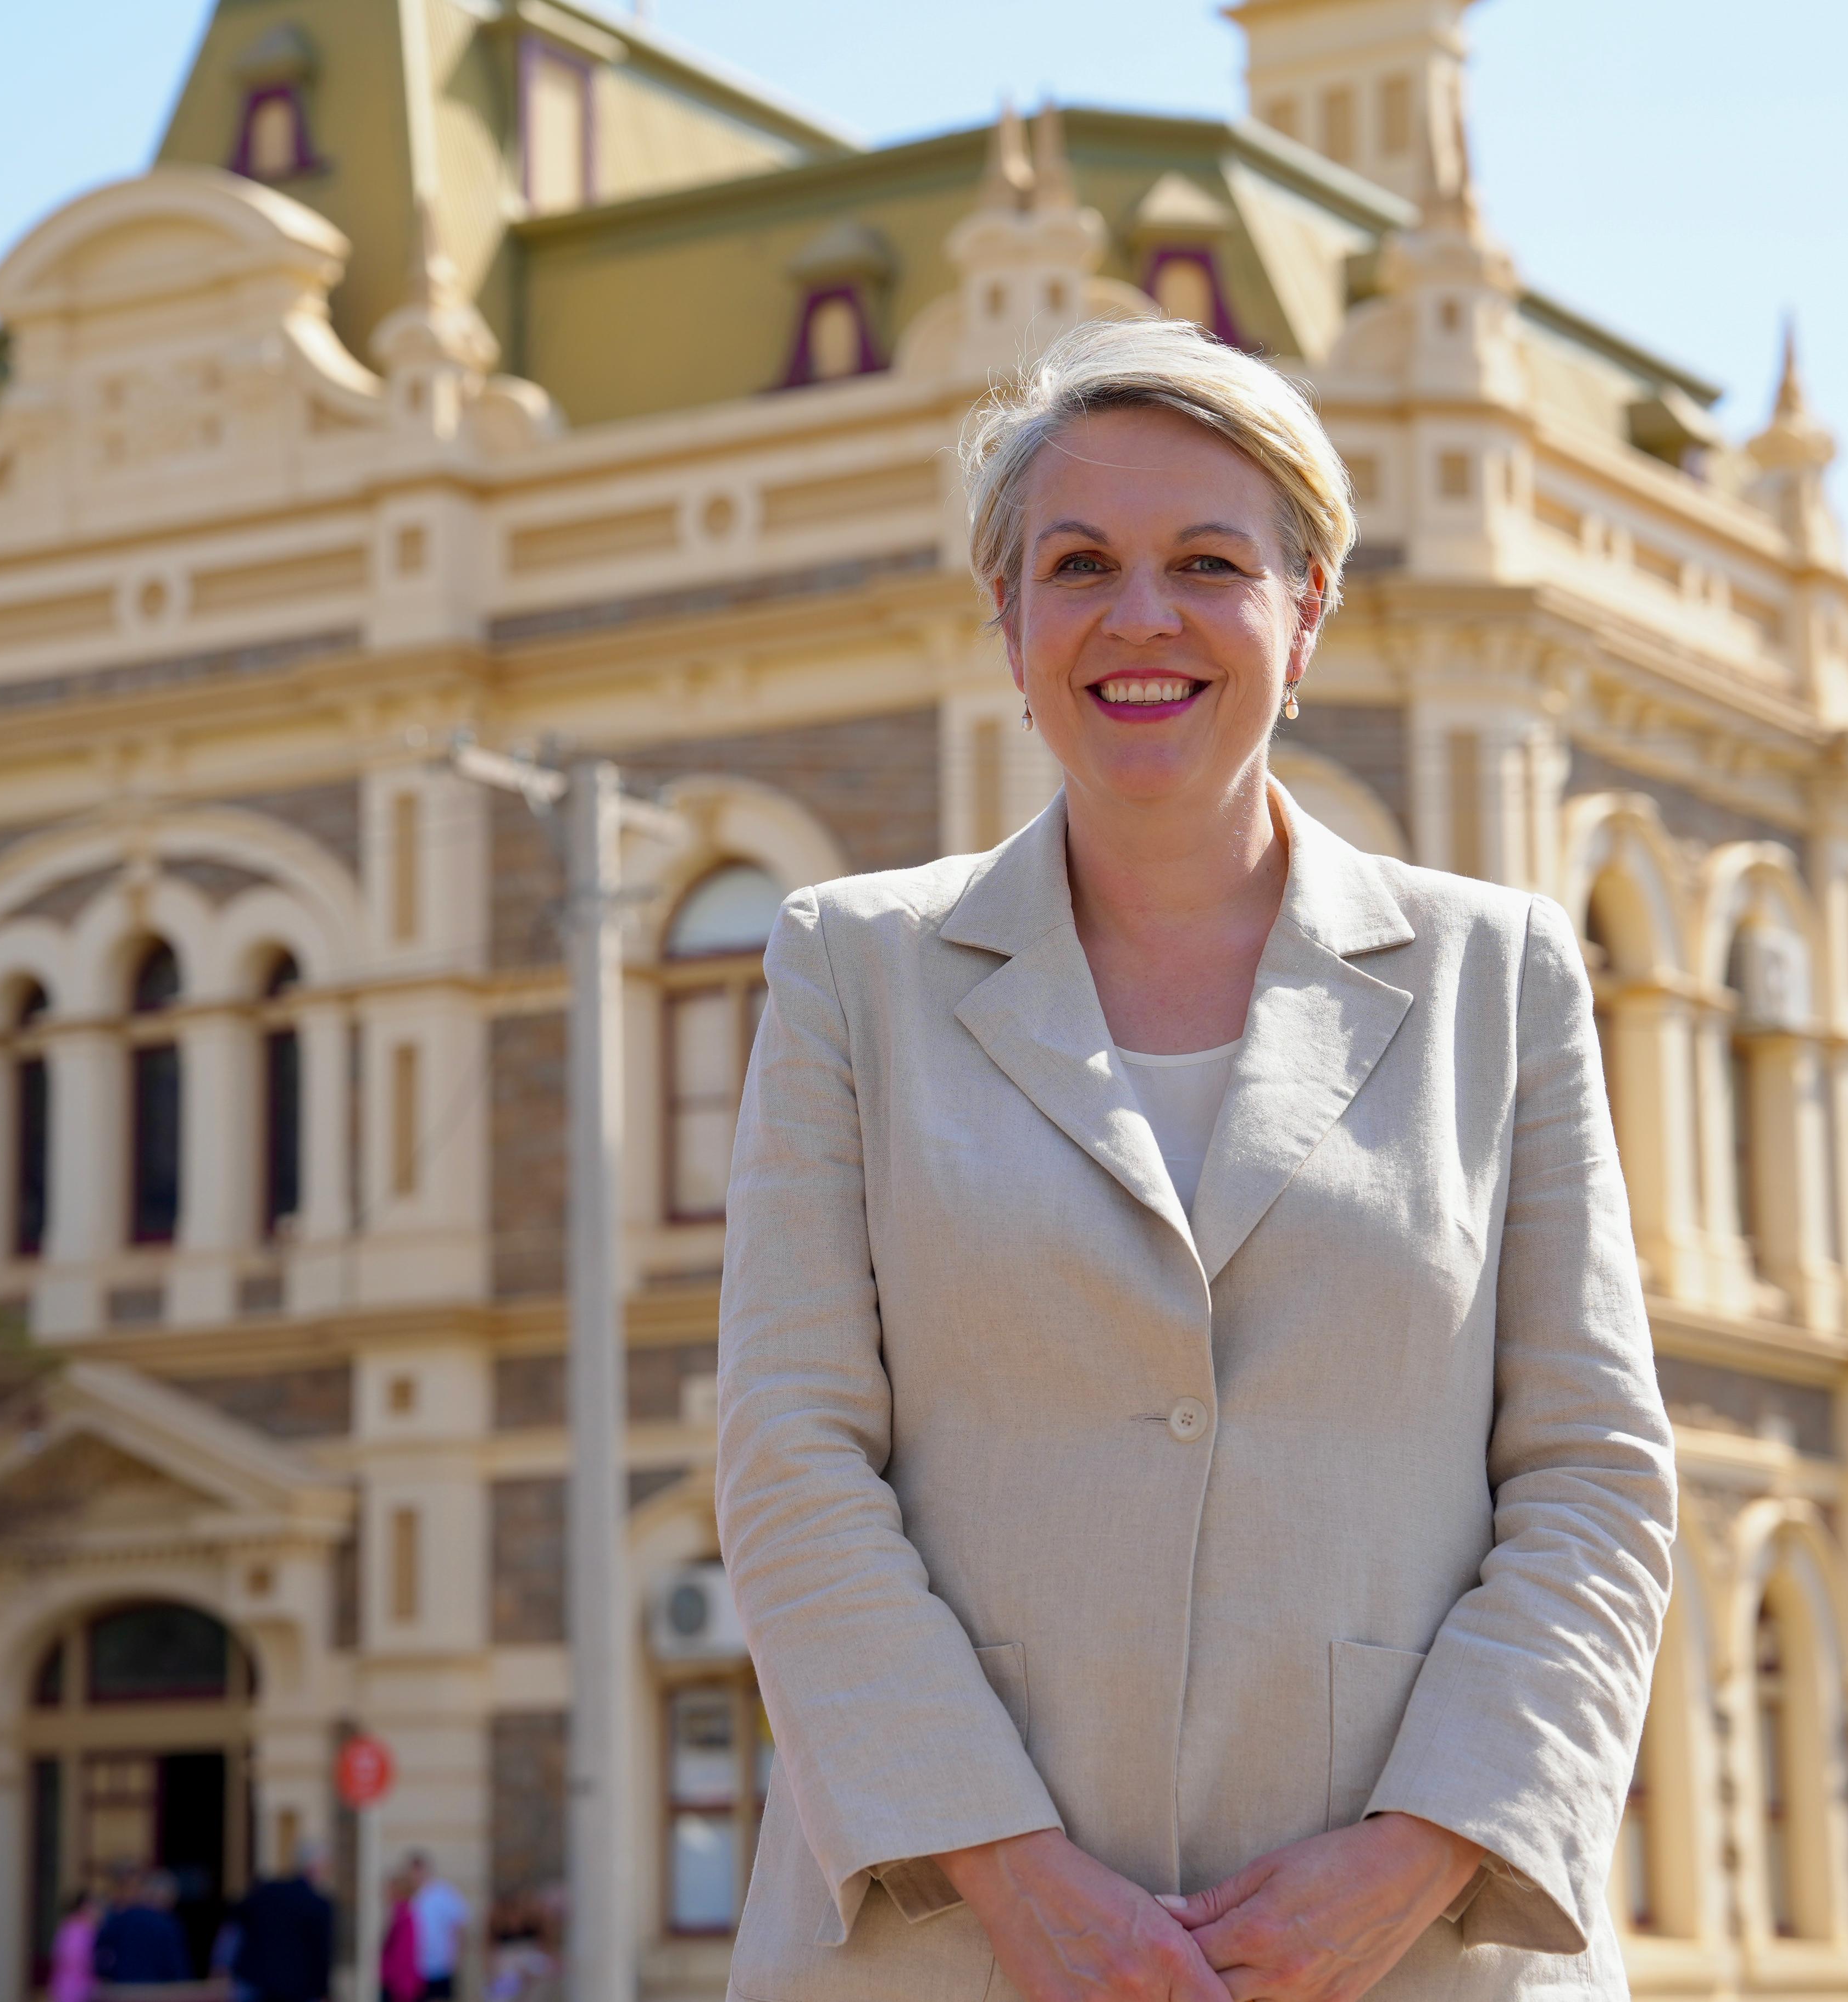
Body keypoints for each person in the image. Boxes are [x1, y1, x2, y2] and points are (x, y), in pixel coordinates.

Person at [714, 314, 1677, 2002]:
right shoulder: (847, 965)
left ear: (1302, 612)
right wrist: (1005, 1869)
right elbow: (791, 1453)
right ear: (1006, 624)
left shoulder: (1498, 976)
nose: (1136, 616)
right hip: (941, 1950)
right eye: (1076, 562)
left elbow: (1591, 1472)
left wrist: (1423, 1844)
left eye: (1206, 562)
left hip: (1407, 1956)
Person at [227, 1840, 335, 2002]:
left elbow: (236, 1917)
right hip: (295, 1990)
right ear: (318, 1867)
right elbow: (321, 1954)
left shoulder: (268, 1891)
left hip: (255, 1982)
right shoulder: (318, 1905)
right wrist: (323, 1991)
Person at [93, 1870, 191, 1987]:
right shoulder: (168, 1925)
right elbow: (177, 1966)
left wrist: (111, 1975)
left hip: (122, 1990)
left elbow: (101, 1956)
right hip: (158, 1992)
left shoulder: (120, 1919)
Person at [398, 1852, 469, 2000]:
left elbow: (460, 1925)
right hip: (416, 1969)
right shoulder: (408, 1897)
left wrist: (457, 1958)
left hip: (441, 1965)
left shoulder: (443, 1893)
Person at [378, 1854, 426, 2002]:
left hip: (399, 1989)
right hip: (397, 1985)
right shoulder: (399, 1915)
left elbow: (402, 1957)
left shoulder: (404, 1917)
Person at [46, 1888, 102, 2002]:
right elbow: (72, 1957)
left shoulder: (84, 1927)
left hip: (80, 1985)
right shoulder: (76, 1928)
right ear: (84, 1906)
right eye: (94, 1905)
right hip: (73, 1986)